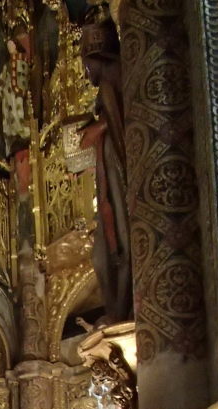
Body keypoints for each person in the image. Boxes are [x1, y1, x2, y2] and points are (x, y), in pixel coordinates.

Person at [78, 4, 132, 325]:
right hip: (109, 179)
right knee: (103, 256)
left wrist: (98, 131)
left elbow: (122, 120)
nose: (86, 72)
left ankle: (124, 308)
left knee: (119, 249)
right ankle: (119, 307)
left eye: (86, 62)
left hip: (121, 176)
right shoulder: (106, 87)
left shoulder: (114, 77)